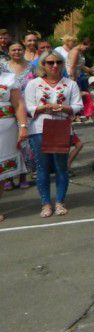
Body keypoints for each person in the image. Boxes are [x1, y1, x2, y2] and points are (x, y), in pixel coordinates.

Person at [23, 51, 83, 218]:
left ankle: (60, 202)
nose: (55, 65)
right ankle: (45, 203)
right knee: (42, 168)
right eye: (50, 63)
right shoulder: (34, 84)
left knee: (61, 166)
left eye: (58, 62)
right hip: (39, 128)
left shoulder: (70, 84)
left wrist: (64, 108)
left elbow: (78, 104)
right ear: (43, 65)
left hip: (61, 127)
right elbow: (27, 106)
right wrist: (43, 108)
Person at [0, 64, 28, 218]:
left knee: (1, 170)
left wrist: (23, 126)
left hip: (5, 130)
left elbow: (18, 104)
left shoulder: (9, 78)